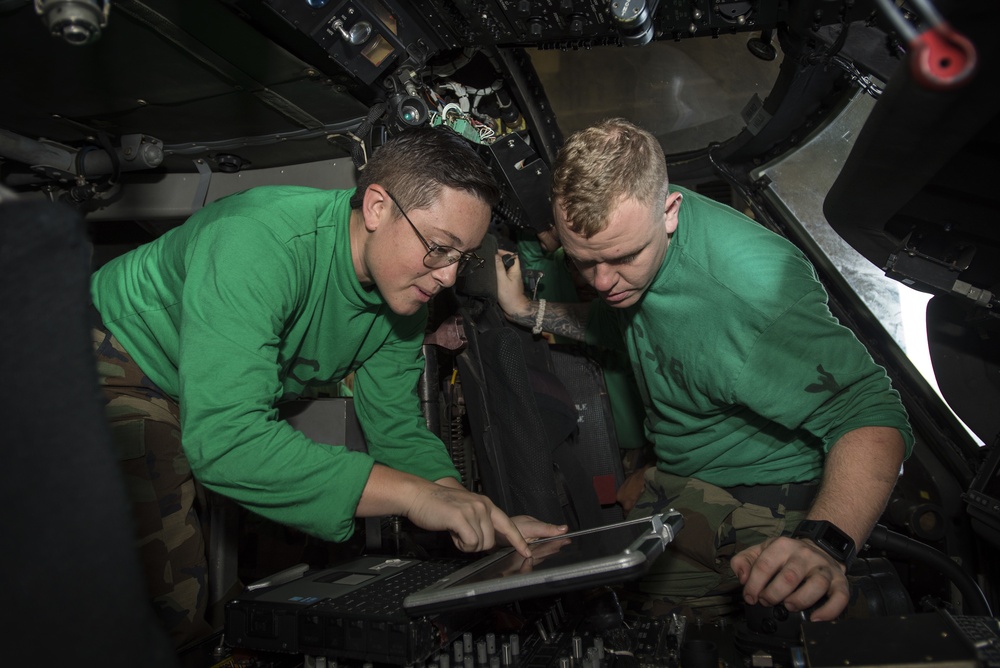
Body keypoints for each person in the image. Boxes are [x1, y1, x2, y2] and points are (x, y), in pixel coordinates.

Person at [90, 125, 566, 648]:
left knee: (241, 605)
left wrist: (460, 501)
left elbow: (396, 426)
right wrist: (411, 495)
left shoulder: (405, 298)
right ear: (378, 208)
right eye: (439, 248)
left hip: (199, 389)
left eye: (464, 257)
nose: (449, 278)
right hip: (117, 358)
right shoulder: (259, 240)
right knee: (171, 607)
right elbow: (227, 441)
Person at [494, 118, 912, 623]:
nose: (603, 282)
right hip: (679, 482)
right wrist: (527, 311)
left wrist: (824, 544)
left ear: (670, 211)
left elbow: (872, 414)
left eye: (623, 257)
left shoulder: (752, 294)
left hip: (765, 500)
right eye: (583, 262)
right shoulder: (629, 259)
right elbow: (619, 321)